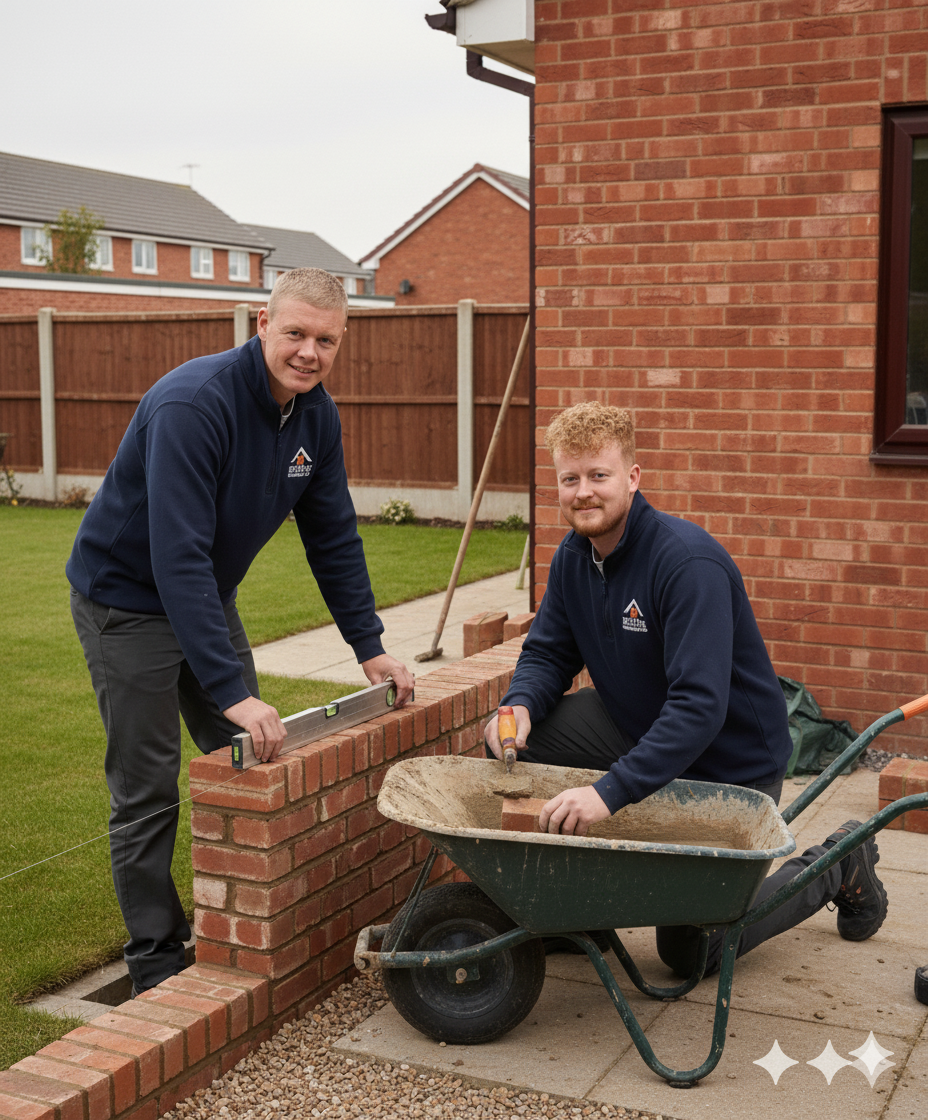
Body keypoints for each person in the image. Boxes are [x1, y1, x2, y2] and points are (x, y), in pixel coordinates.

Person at [68, 268, 414, 995]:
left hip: (202, 596)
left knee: (253, 756)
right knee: (148, 785)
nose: (309, 352)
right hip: (125, 603)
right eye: (295, 333)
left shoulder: (316, 417)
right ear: (263, 324)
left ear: (340, 341)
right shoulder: (195, 404)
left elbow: (334, 535)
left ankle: (244, 923)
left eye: (325, 339)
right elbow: (176, 553)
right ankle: (157, 963)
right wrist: (231, 689)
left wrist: (371, 647)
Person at [485, 401, 887, 974]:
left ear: (632, 478)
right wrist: (519, 703)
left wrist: (606, 794)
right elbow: (549, 652)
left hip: (728, 762)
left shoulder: (685, 562)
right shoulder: (575, 557)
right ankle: (578, 915)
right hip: (633, 722)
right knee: (518, 746)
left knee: (693, 952)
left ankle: (838, 863)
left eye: (598, 475)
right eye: (569, 478)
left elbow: (699, 709)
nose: (583, 492)